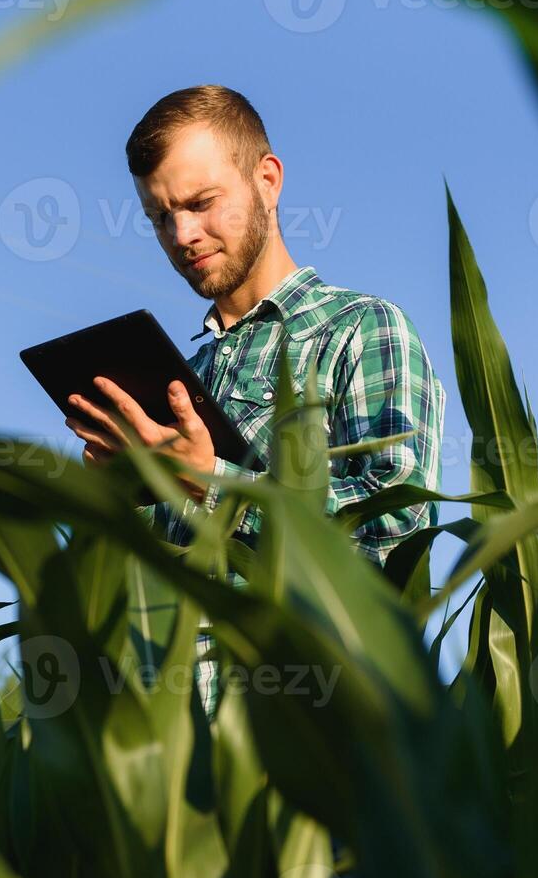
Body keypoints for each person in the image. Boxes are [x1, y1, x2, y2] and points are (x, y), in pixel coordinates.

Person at [65, 84, 447, 722]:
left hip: (306, 750)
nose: (182, 234)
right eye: (160, 217)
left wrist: (211, 484)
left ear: (267, 179)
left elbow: (394, 540)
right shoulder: (176, 382)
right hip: (170, 760)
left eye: (200, 203)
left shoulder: (360, 330)